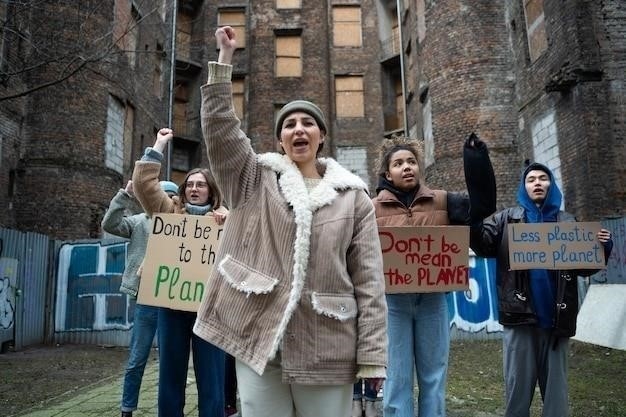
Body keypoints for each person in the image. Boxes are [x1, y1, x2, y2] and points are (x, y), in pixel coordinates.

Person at [191, 26, 388, 417]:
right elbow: (221, 132)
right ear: (280, 140)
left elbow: (369, 280)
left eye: (307, 123)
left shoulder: (353, 198)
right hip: (259, 335)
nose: (299, 128)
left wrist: (372, 356)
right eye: (289, 124)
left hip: (327, 342)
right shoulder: (254, 178)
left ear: (321, 136)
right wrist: (225, 61)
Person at [470, 161, 613, 417]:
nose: (537, 182)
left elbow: (583, 268)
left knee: (557, 400)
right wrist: (471, 221)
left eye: (543, 178)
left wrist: (603, 248)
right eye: (531, 179)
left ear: (551, 185)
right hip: (520, 320)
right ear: (523, 187)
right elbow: (483, 244)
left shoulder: (568, 222)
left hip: (557, 322)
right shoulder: (506, 219)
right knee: (517, 395)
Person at [372, 135, 496, 417]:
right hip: (392, 305)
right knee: (397, 380)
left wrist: (476, 161)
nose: (407, 167)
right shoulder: (371, 208)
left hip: (432, 303)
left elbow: (483, 207)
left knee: (434, 378)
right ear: (386, 173)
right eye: (398, 163)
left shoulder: (444, 201)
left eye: (412, 162)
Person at [131, 136, 228, 417]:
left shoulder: (223, 219)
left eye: (202, 185)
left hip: (211, 310)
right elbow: (143, 185)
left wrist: (227, 218)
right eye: (191, 185)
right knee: (170, 374)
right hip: (171, 307)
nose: (195, 189)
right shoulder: (167, 210)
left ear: (211, 192)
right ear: (184, 191)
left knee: (212, 377)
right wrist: (158, 147)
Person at [101, 179, 178, 417]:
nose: (162, 200)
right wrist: (125, 195)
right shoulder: (139, 222)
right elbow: (110, 224)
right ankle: (127, 408)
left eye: (168, 196)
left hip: (173, 299)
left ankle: (168, 409)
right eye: (158, 195)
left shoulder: (184, 224)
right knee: (137, 358)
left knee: (171, 361)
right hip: (146, 298)